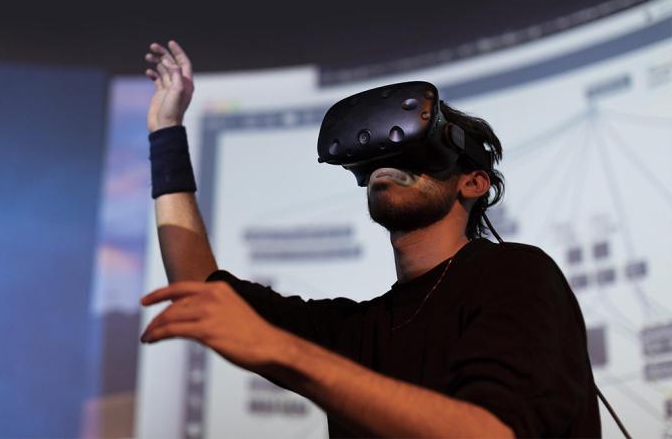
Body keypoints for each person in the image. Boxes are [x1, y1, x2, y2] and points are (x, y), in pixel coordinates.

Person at [139, 40, 601, 438]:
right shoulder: (357, 330)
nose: (390, 162)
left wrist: (288, 353)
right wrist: (166, 132)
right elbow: (201, 290)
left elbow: (489, 431)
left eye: (416, 151)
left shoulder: (517, 275)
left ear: (473, 183)